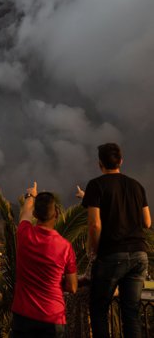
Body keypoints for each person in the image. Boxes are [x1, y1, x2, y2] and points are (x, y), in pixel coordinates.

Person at [81, 143, 151, 338]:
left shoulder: (96, 185)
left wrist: (93, 251)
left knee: (98, 309)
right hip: (139, 255)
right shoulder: (137, 186)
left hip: (112, 255)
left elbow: (95, 225)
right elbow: (147, 222)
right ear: (121, 161)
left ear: (99, 164)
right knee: (131, 313)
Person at [11, 181, 78, 338]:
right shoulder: (65, 247)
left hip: (23, 316)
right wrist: (53, 282)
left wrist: (31, 195)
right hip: (53, 318)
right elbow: (73, 287)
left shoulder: (24, 234)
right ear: (56, 213)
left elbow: (25, 213)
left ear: (35, 215)